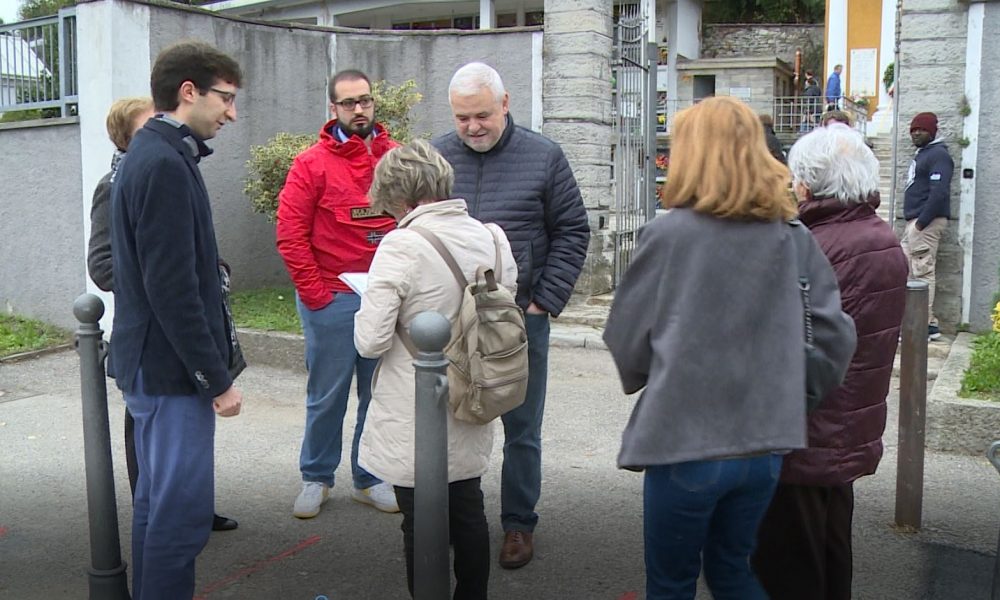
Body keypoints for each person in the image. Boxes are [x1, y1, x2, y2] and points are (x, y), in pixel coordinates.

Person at [602, 96, 856, 600]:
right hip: (764, 445)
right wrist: (791, 395)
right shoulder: (792, 235)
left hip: (686, 444)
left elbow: (626, 336)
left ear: (692, 154)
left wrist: (654, 372)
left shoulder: (669, 234)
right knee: (734, 571)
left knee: (672, 584)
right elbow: (834, 337)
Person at [432, 62, 590, 569]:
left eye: (481, 114)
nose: (473, 126)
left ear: (504, 104)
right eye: (462, 118)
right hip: (453, 321)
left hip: (522, 319)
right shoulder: (437, 156)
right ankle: (461, 521)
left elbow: (572, 230)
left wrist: (545, 300)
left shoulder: (544, 156)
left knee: (522, 428)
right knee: (455, 422)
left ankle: (519, 524)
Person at [109, 40, 244, 599]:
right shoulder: (162, 162)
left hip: (153, 368)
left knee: (155, 508)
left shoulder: (153, 152)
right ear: (189, 92)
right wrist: (215, 378)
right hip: (169, 374)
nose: (231, 112)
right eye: (226, 98)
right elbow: (174, 290)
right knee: (180, 519)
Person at [354, 139, 518, 600]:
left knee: (420, 522)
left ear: (400, 197)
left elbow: (370, 341)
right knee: (467, 508)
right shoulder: (492, 236)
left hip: (414, 403)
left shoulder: (402, 244)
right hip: (475, 390)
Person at [752, 124, 908, 600]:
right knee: (831, 549)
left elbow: (787, 341)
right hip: (846, 426)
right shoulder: (878, 236)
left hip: (807, 430)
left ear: (809, 182)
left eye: (796, 177)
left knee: (789, 565)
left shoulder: (819, 245)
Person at [87, 96, 239, 533]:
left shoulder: (174, 168)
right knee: (157, 479)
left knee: (175, 477)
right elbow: (103, 265)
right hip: (153, 343)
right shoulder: (120, 182)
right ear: (127, 138)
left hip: (175, 336)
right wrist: (151, 274)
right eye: (150, 124)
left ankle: (189, 511)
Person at [276, 69, 400, 518]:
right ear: (334, 109)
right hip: (331, 296)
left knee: (380, 392)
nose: (359, 109)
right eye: (348, 103)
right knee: (327, 394)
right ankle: (316, 477)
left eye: (365, 100)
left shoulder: (397, 158)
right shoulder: (310, 164)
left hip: (386, 297)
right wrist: (316, 296)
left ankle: (370, 476)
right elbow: (290, 234)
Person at [901, 111, 953, 340]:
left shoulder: (939, 155)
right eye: (913, 130)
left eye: (921, 130)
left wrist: (921, 224)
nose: (916, 134)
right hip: (916, 222)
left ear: (932, 131)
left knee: (922, 272)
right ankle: (927, 323)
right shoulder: (924, 154)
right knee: (907, 270)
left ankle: (922, 325)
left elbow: (939, 193)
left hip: (926, 223)